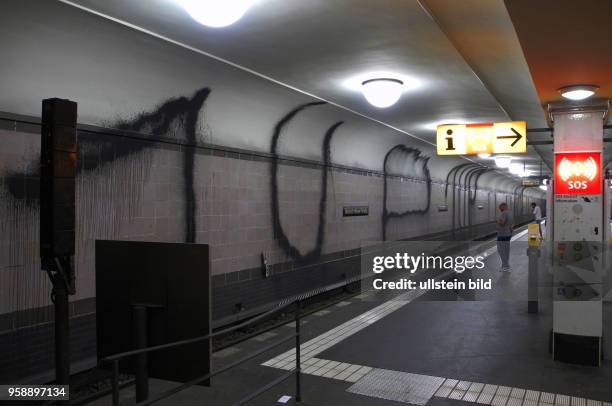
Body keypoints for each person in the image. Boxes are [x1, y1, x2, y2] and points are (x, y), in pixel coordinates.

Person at [496, 202, 514, 272]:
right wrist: (511, 233)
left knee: (500, 250)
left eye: (500, 207)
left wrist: (497, 221)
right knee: (506, 250)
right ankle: (506, 265)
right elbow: (512, 225)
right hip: (508, 234)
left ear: (503, 206)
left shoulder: (503, 213)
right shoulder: (510, 213)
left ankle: (505, 266)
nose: (499, 208)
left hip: (502, 234)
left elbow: (502, 223)